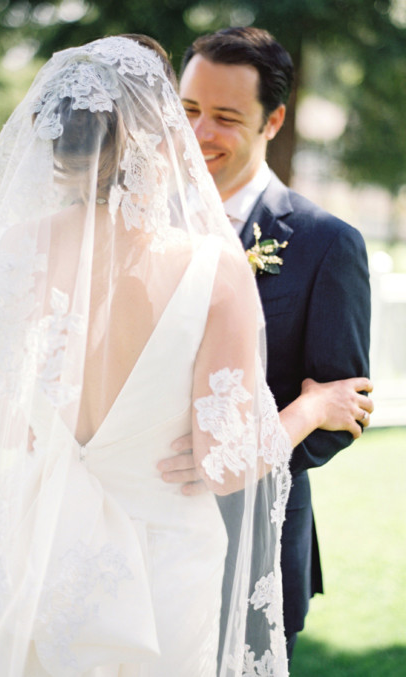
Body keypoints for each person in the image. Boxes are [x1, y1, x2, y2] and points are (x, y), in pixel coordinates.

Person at [0, 34, 311, 675]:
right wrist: (313, 409)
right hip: (166, 554)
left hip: (44, 544)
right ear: (158, 129)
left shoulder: (16, 246)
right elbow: (225, 464)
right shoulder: (212, 266)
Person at [173, 26, 372, 658]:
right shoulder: (141, 223)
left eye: (226, 118)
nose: (201, 134)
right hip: (138, 527)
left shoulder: (325, 244)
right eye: (188, 111)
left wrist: (229, 458)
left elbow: (342, 410)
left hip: (256, 542)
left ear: (274, 119)